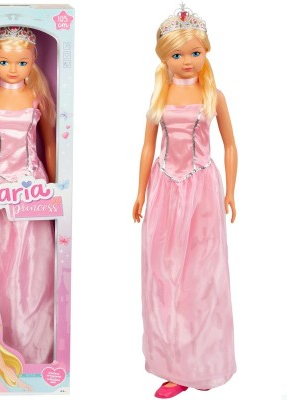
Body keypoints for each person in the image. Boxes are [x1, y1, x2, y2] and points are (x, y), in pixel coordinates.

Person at [132, 4, 237, 398]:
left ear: (206, 52)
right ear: (164, 57)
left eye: (196, 52)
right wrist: (140, 192)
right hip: (164, 189)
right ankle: (174, 362)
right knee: (164, 275)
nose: (188, 61)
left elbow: (230, 145)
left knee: (201, 276)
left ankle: (201, 360)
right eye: (178, 54)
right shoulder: (160, 95)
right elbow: (148, 147)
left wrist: (230, 191)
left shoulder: (213, 95)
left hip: (201, 188)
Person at [0, 26, 55, 364]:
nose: (12, 68)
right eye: (4, 61)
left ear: (34, 60)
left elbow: (50, 143)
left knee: (31, 262)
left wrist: (58, 185)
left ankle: (32, 346)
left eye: (22, 62)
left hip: (30, 184)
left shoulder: (37, 97)